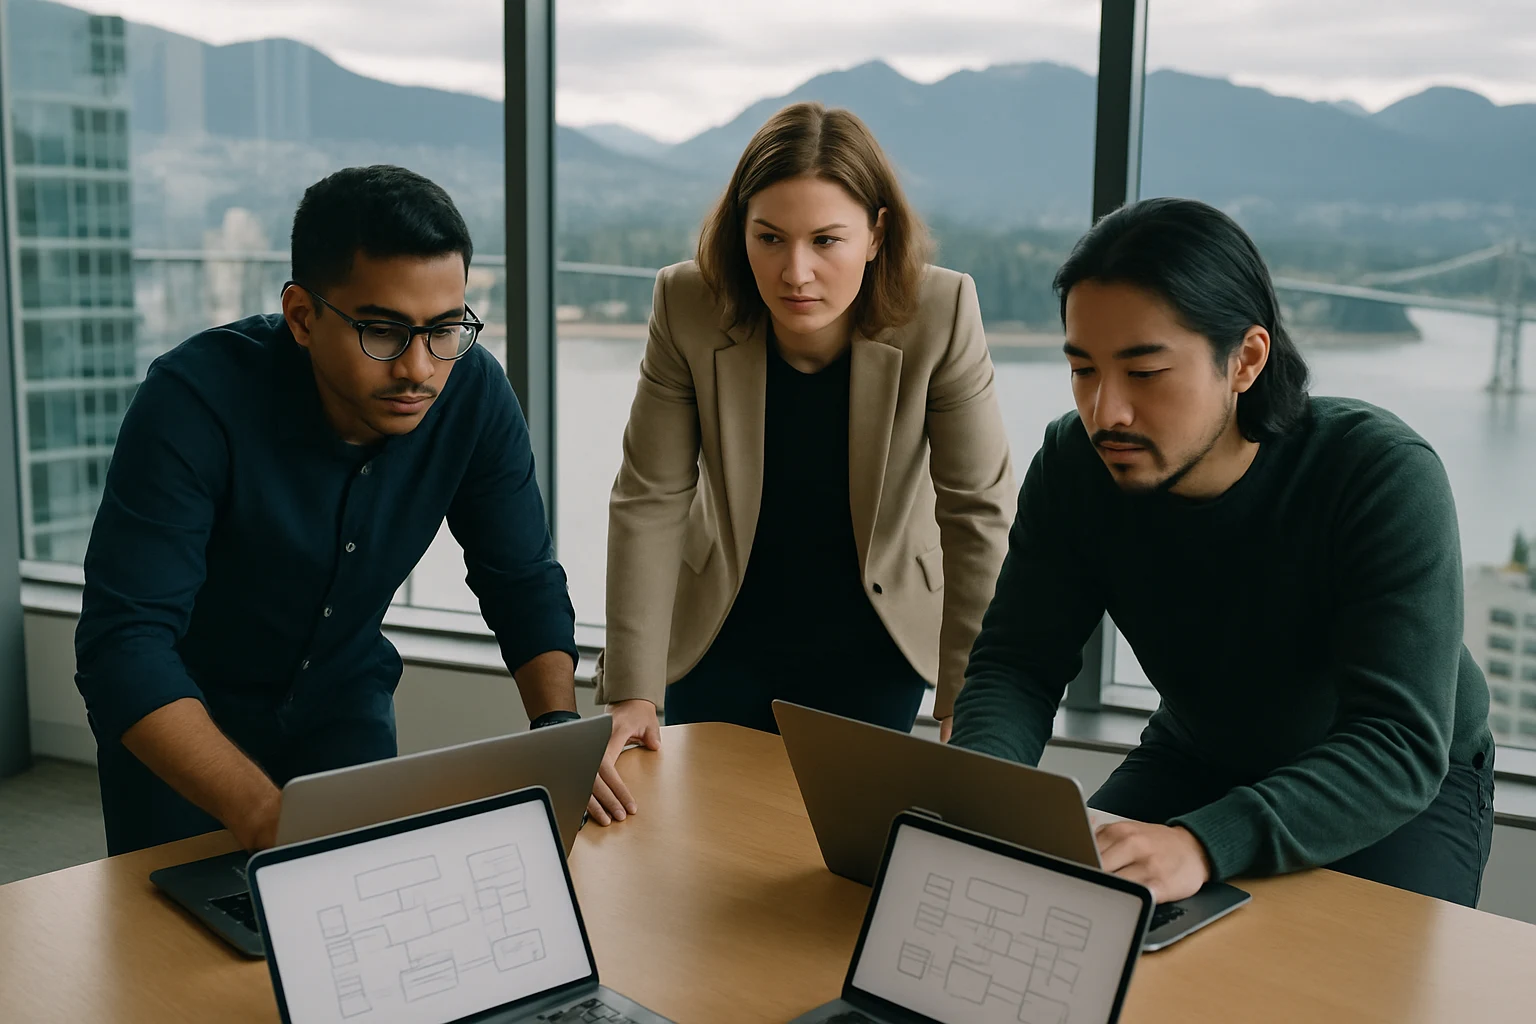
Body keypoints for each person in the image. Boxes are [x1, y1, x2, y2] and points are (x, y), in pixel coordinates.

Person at [950, 197, 1495, 907]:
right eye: (1083, 370)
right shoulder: (1074, 464)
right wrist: (978, 803)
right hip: (1201, 754)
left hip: (1399, 782)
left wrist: (1206, 843)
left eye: (1144, 374)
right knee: (1072, 913)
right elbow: (1019, 665)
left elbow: (1397, 740)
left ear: (1246, 359)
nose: (1105, 411)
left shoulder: (1378, 472)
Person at [75, 165, 634, 855]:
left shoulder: (474, 392)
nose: (419, 369)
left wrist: (556, 728)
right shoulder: (192, 402)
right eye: (383, 331)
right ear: (303, 317)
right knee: (176, 953)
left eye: (444, 329)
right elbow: (123, 645)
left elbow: (520, 577)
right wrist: (258, 812)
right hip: (183, 729)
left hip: (344, 710)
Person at [591, 101, 1014, 792]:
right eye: (769, 238)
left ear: (877, 234)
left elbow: (978, 512)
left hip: (875, 638)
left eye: (826, 240)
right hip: (718, 630)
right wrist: (630, 688)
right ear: (740, 234)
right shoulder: (688, 303)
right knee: (701, 848)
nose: (795, 272)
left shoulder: (941, 312)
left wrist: (969, 699)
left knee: (837, 858)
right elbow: (650, 497)